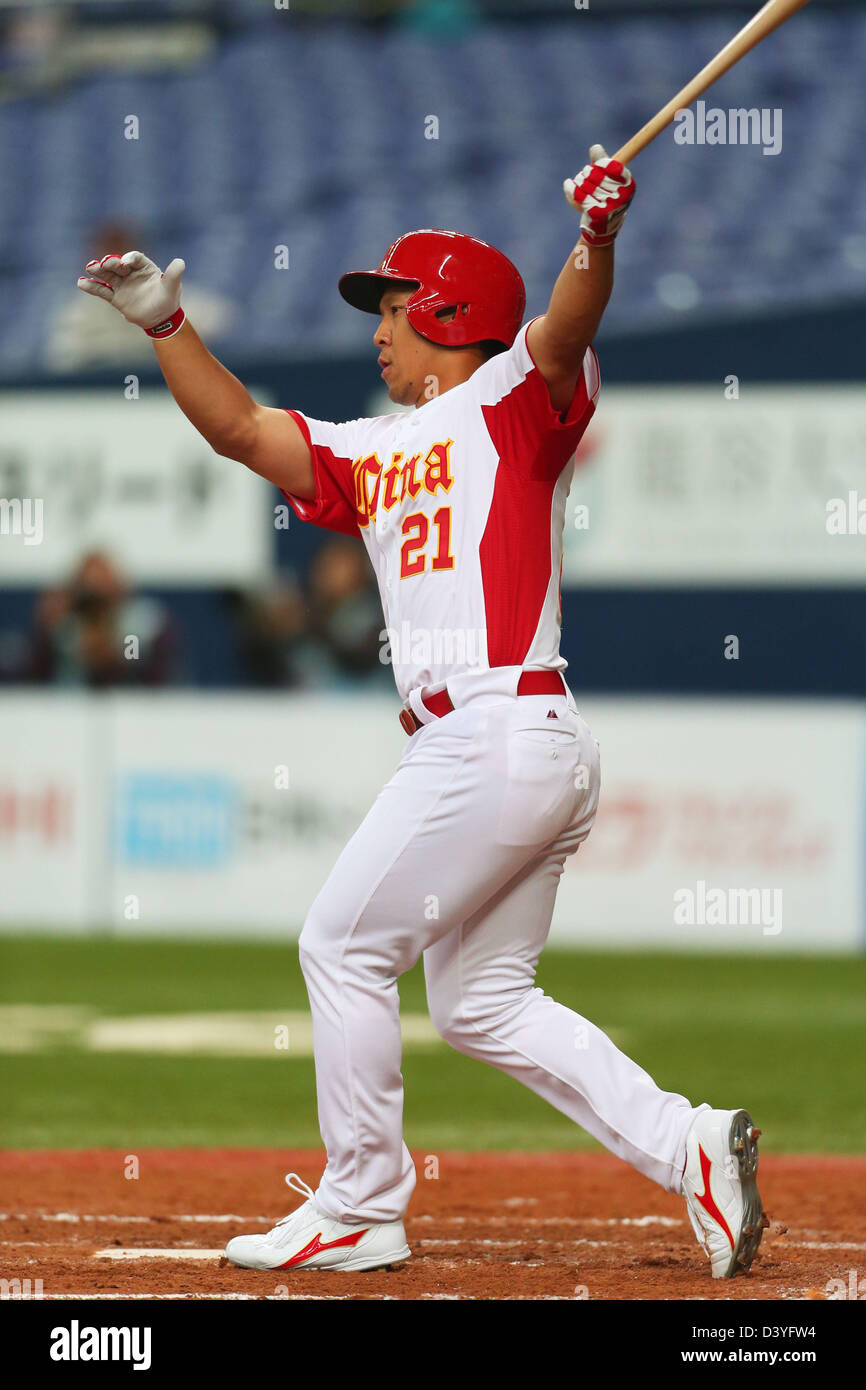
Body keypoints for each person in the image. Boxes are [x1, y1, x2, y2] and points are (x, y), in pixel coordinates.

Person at [76, 146, 765, 1281]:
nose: (378, 327)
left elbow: (563, 327)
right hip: (507, 741)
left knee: (340, 947)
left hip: (493, 730)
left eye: (391, 305)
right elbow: (244, 432)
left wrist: (594, 235)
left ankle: (359, 1203)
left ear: (446, 306)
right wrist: (166, 325)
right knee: (481, 1000)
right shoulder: (378, 449)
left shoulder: (511, 398)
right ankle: (687, 1142)